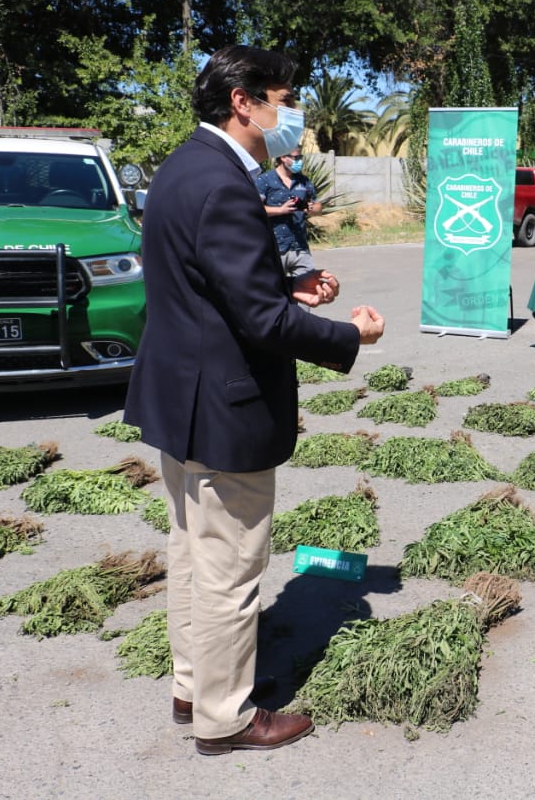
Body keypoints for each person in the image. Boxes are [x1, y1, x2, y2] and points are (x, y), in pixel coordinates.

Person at [123, 44, 385, 756]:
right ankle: (227, 716)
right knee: (232, 572)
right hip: (226, 407)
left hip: (182, 402)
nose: (289, 113)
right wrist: (346, 333)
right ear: (244, 101)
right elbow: (261, 324)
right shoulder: (226, 184)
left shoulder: (181, 168)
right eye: (283, 97)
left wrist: (288, 287)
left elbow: (211, 287)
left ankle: (191, 685)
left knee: (191, 554)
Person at [256, 147, 336, 292]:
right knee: (274, 293)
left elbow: (318, 207)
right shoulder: (265, 180)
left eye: (300, 158)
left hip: (299, 247)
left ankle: (303, 316)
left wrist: (310, 208)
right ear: (283, 158)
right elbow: (255, 209)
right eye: (295, 158)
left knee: (309, 289)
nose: (299, 162)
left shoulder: (304, 181)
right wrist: (280, 210)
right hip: (274, 248)